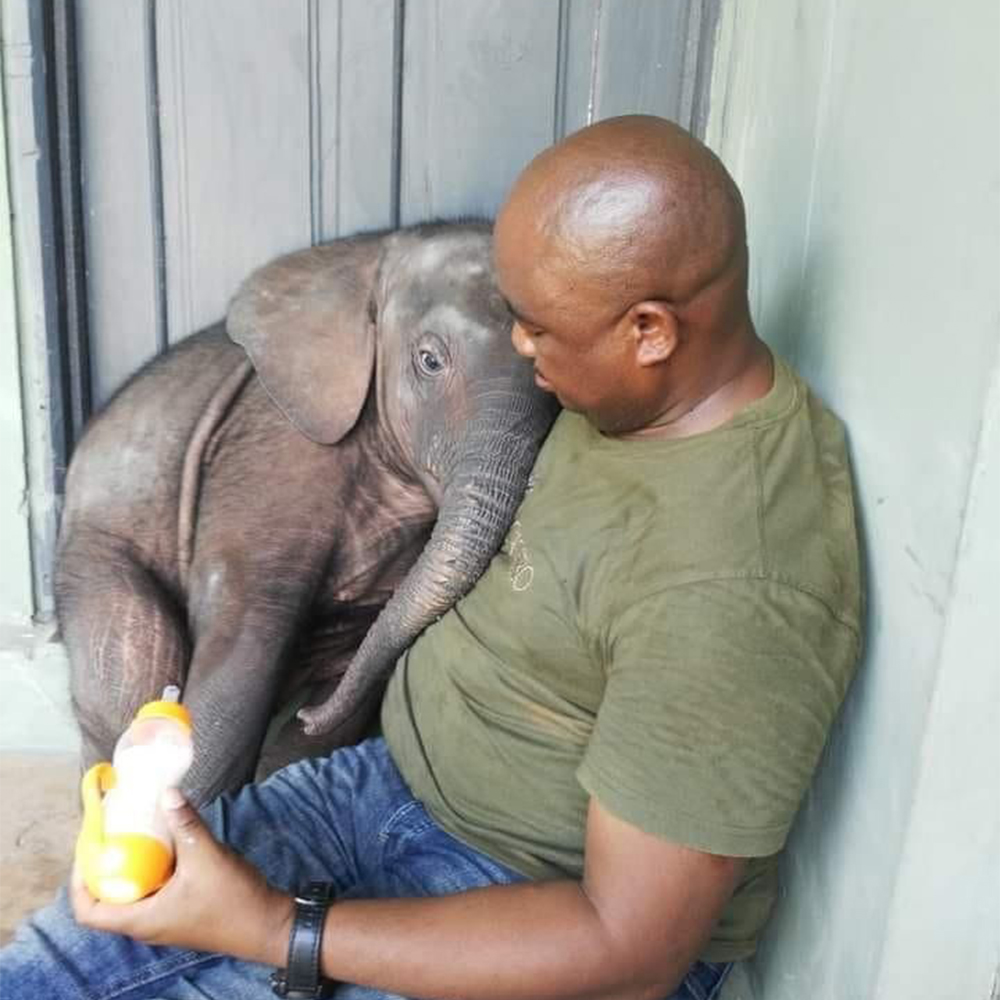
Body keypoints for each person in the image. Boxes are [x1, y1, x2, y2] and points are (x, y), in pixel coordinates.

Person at [0, 115, 861, 1000]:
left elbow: (630, 953)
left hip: (524, 904)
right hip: (376, 789)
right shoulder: (627, 395)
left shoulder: (735, 586)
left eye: (537, 329)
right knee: (53, 965)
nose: (519, 349)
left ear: (649, 330)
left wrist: (274, 929)